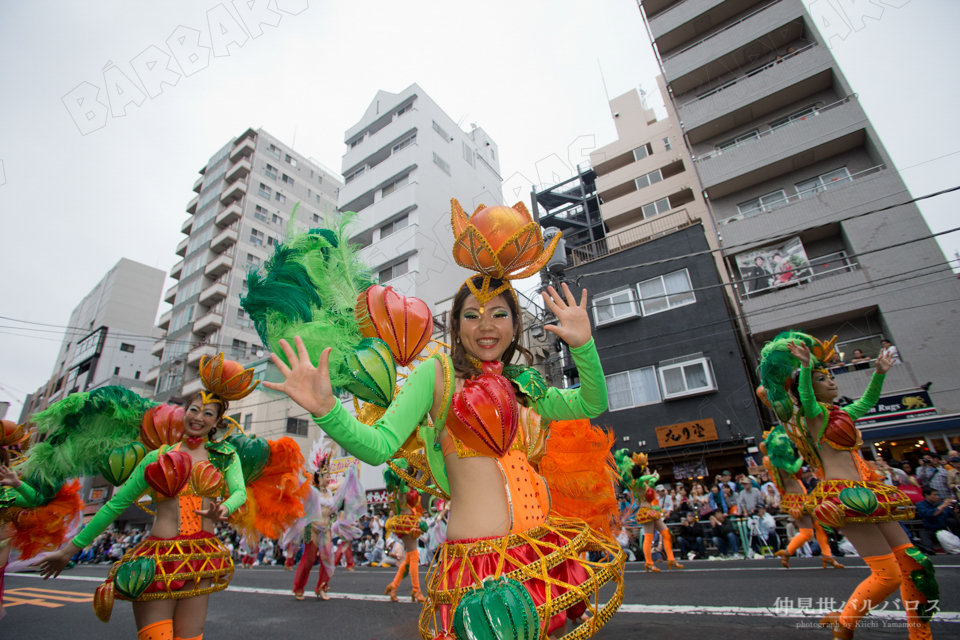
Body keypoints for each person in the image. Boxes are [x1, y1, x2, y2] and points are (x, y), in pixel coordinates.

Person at [254, 201, 626, 639]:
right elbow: (379, 445)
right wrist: (326, 410)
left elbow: (590, 402)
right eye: (472, 315)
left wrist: (583, 344)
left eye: (499, 314)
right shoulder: (438, 375)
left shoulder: (524, 383)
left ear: (515, 324)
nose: (485, 325)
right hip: (480, 565)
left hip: (540, 551)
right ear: (456, 324)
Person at [35, 354, 307, 639]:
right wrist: (69, 549)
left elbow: (239, 492)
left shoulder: (225, 457)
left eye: (208, 413)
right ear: (184, 412)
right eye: (193, 409)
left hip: (201, 558)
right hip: (159, 558)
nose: (198, 417)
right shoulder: (158, 457)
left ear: (216, 423)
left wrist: (224, 509)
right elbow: (116, 505)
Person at [759, 332, 936, 638]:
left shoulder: (840, 414)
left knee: (916, 564)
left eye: (830, 377)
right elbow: (808, 400)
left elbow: (867, 401)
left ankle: (920, 634)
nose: (831, 382)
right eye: (821, 379)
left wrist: (878, 374)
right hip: (844, 499)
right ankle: (845, 623)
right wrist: (803, 367)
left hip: (870, 492)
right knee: (888, 576)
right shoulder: (810, 418)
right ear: (807, 389)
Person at [617, 453, 683, 573]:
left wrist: (655, 477)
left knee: (666, 534)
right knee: (648, 538)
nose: (649, 472)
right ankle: (649, 562)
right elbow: (642, 479)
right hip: (646, 512)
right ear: (643, 472)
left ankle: (671, 559)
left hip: (652, 511)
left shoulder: (647, 484)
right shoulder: (638, 483)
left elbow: (652, 482)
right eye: (647, 470)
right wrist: (652, 475)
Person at [290, 444, 337, 601]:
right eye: (326, 476)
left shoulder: (329, 492)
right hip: (312, 528)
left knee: (327, 559)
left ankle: (322, 588)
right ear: (318, 477)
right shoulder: (311, 491)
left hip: (326, 529)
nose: (329, 478)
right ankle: (299, 587)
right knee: (309, 560)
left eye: (330, 475)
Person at [915, 487, 960, 554]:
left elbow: (954, 518)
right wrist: (943, 506)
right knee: (923, 533)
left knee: (952, 521)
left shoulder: (941, 504)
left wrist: (956, 511)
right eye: (935, 495)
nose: (938, 497)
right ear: (926, 495)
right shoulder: (920, 505)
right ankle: (928, 549)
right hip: (931, 529)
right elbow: (929, 514)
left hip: (945, 529)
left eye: (937, 495)